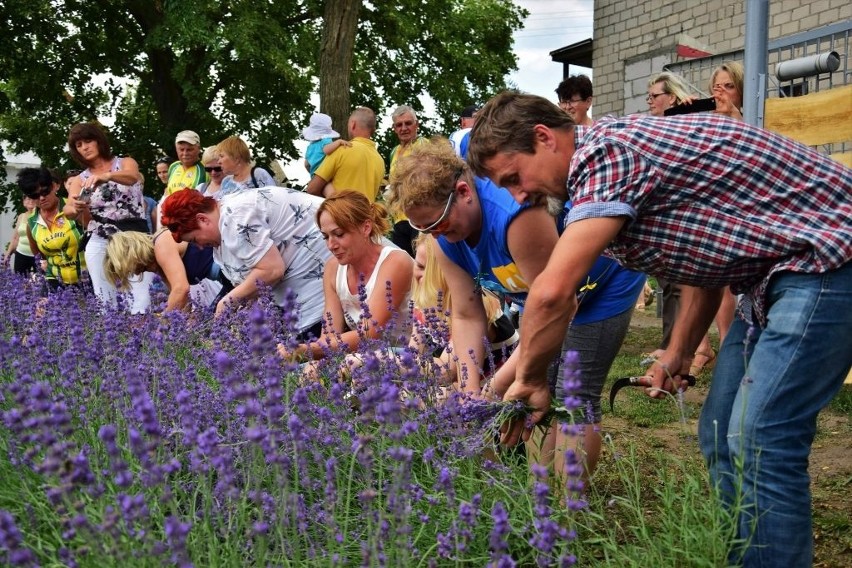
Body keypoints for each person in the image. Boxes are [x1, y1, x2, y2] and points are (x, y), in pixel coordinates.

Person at [467, 90, 852, 568]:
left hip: (830, 256)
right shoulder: (599, 173)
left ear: (544, 138)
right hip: (772, 279)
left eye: (513, 177)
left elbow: (551, 293)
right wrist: (678, 352)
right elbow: (704, 267)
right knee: (718, 430)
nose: (518, 194)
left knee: (761, 437)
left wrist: (528, 379)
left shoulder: (603, 154)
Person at [389, 141, 644, 479]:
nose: (437, 235)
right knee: (537, 395)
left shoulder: (514, 216)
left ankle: (570, 514)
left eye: (438, 223)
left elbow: (556, 304)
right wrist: (469, 393)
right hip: (544, 298)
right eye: (425, 229)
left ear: (463, 191)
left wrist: (494, 389)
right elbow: (467, 314)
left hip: (600, 285)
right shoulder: (444, 239)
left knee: (574, 394)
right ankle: (544, 501)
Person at [160, 186, 331, 336]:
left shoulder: (235, 218)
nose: (198, 247)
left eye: (194, 240)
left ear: (202, 219)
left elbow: (271, 270)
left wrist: (227, 302)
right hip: (305, 291)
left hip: (321, 273)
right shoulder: (223, 226)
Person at [277, 191, 413, 362]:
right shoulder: (333, 269)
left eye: (339, 234)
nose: (331, 245)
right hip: (365, 360)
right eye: (326, 237)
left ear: (365, 228)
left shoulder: (395, 261)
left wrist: (305, 350)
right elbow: (328, 336)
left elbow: (370, 332)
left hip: (410, 358)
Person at [64, 122, 152, 313]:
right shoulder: (80, 179)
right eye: (78, 145)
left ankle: (143, 337)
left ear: (99, 141)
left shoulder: (125, 162)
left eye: (88, 141)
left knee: (140, 297)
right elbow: (68, 209)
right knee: (104, 300)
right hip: (100, 236)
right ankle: (110, 339)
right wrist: (76, 207)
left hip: (134, 235)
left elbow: (132, 177)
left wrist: (107, 176)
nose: (84, 147)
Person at [104, 229, 223, 312]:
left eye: (134, 268)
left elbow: (181, 289)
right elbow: (184, 302)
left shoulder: (162, 244)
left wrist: (162, 327)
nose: (136, 273)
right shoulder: (159, 265)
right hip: (228, 279)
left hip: (235, 274)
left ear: (133, 253)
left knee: (218, 318)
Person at [17, 167, 86, 289]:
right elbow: (38, 256)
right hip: (55, 282)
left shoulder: (74, 209)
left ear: (54, 186)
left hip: (86, 278)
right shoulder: (31, 223)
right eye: (35, 196)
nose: (42, 198)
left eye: (45, 192)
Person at [305, 107, 385, 201]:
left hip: (339, 213)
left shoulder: (342, 150)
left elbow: (312, 189)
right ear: (373, 130)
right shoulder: (380, 161)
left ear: (353, 124)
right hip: (365, 214)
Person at [302, 112, 350, 177]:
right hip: (325, 175)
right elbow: (326, 150)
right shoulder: (325, 140)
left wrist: (312, 173)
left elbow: (306, 165)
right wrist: (339, 142)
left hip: (314, 175)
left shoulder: (310, 147)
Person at [165, 131, 207, 196]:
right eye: (181, 149)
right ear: (176, 149)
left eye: (189, 149)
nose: (185, 153)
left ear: (198, 149)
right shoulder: (173, 166)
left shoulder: (206, 168)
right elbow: (167, 192)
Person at [3, 195, 37, 274]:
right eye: (28, 199)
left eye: (33, 198)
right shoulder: (21, 216)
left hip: (37, 256)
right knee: (20, 282)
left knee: (40, 283)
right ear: (24, 202)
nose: (31, 201)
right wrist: (7, 255)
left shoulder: (42, 216)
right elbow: (15, 238)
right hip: (21, 255)